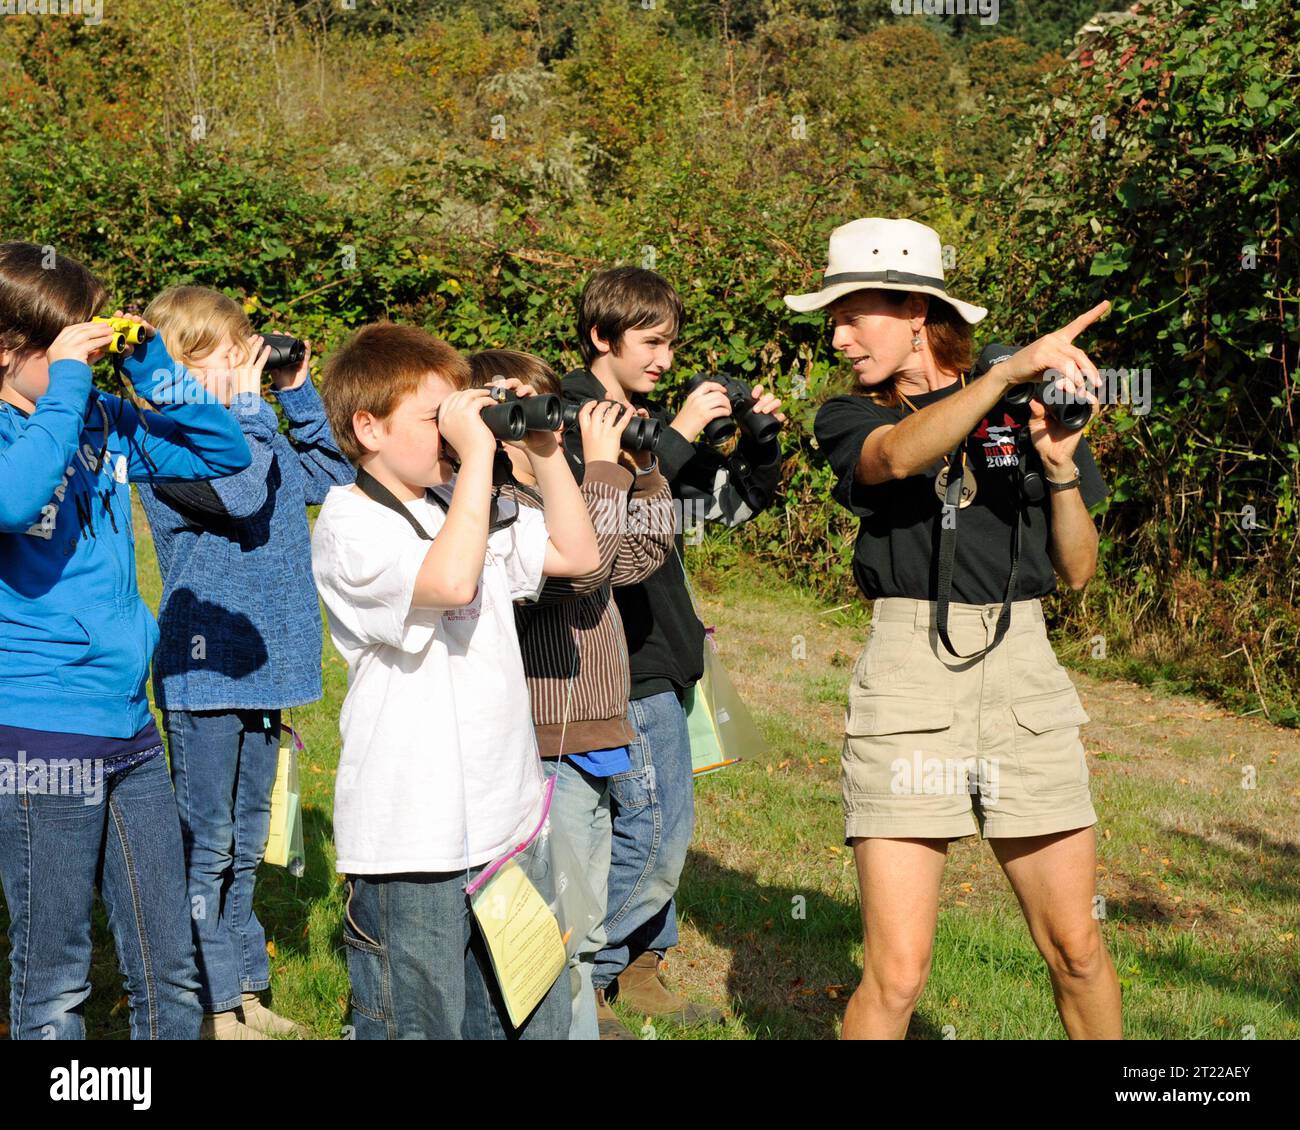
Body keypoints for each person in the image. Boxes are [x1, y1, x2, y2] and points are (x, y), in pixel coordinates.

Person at [795, 216, 1122, 1039]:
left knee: (1078, 946)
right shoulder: (845, 417)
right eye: (830, 318)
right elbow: (898, 459)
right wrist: (1007, 371)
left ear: (914, 311)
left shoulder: (1027, 407)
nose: (836, 336)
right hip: (910, 671)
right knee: (897, 973)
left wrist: (1058, 471)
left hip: (1025, 668)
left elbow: (1078, 571)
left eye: (851, 314)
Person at [312, 323, 601, 1039]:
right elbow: (447, 579)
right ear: (368, 427)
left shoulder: (458, 505)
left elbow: (578, 553)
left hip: (505, 819)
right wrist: (475, 460)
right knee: (423, 1021)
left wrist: (543, 452)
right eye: (432, 421)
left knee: (526, 1015)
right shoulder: (349, 524)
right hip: (413, 836)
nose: (451, 436)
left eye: (457, 416)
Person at [0, 241, 252, 1039]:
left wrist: (147, 371)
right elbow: (15, 500)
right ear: (8, 348)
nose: (87, 348)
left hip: (128, 726)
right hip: (41, 733)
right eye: (67, 338)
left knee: (167, 964)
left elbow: (225, 452)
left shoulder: (101, 421)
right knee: (55, 983)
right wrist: (72, 382)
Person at [561, 267, 785, 1024]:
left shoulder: (650, 424)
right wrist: (681, 436)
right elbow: (600, 536)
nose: (664, 358)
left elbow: (725, 512)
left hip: (670, 653)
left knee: (643, 824)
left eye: (671, 344)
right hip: (617, 659)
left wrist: (762, 448)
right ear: (601, 336)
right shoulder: (568, 421)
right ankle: (581, 975)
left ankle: (642, 966)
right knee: (655, 836)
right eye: (650, 342)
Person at [136, 286, 355, 1039]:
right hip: (206, 672)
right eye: (232, 355)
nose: (247, 364)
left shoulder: (259, 428)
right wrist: (253, 411)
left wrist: (295, 397)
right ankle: (210, 1000)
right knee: (209, 841)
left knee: (249, 832)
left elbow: (332, 478)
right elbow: (235, 495)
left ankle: (246, 988)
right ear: (182, 369)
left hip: (269, 668)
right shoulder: (165, 450)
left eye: (249, 350)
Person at [468, 348, 674, 1039]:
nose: (529, 410)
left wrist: (642, 471)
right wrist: (607, 472)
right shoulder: (497, 502)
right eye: (507, 396)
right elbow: (584, 573)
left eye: (538, 395)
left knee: (578, 930)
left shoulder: (577, 486)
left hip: (593, 730)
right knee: (558, 933)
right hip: (547, 734)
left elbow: (638, 560)